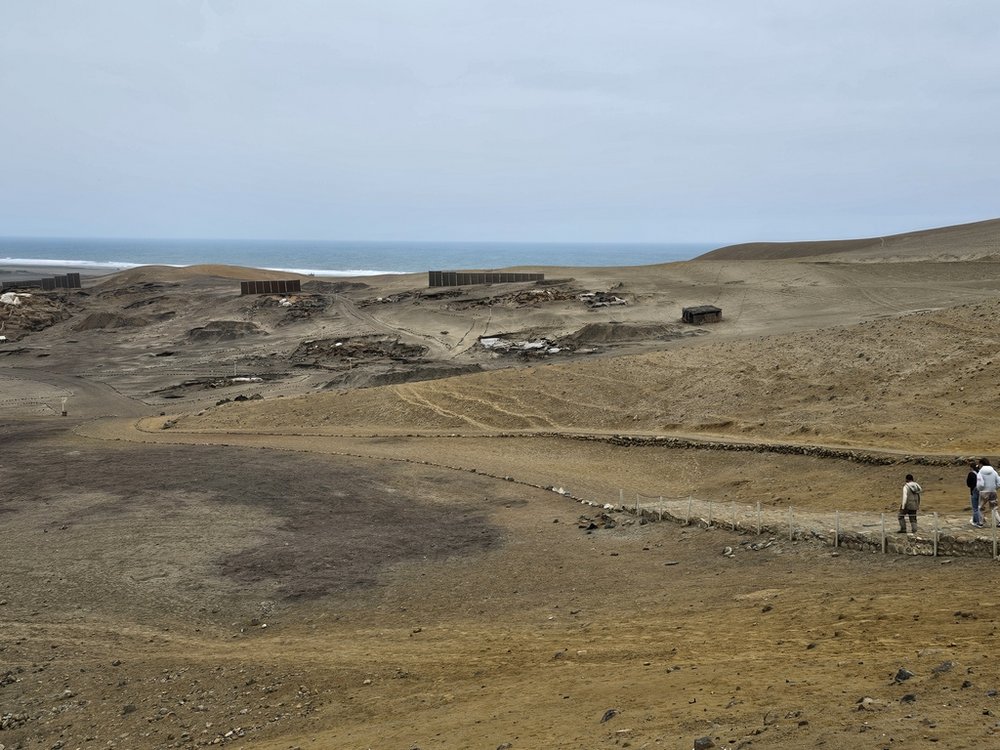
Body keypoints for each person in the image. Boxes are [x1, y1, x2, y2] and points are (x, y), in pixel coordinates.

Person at [978, 459, 1000, 527]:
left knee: (981, 507)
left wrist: (980, 489)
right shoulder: (994, 472)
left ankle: (981, 523)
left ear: (981, 464)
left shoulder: (980, 472)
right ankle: (999, 521)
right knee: (994, 508)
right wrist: (995, 488)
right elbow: (999, 481)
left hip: (984, 492)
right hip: (993, 491)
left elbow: (980, 484)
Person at [968, 461, 984, 527]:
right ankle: (975, 520)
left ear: (971, 467)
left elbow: (968, 483)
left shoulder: (971, 474)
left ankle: (978, 522)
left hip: (974, 490)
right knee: (979, 506)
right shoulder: (980, 473)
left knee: (975, 507)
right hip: (981, 491)